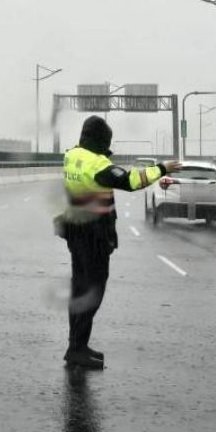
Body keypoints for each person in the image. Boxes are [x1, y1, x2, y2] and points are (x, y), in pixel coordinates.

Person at [56, 115, 179, 370]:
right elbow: (131, 181)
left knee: (79, 289)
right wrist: (163, 167)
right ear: (101, 141)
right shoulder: (98, 164)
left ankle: (75, 345)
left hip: (75, 231)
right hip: (94, 236)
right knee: (94, 291)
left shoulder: (71, 156)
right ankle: (77, 348)